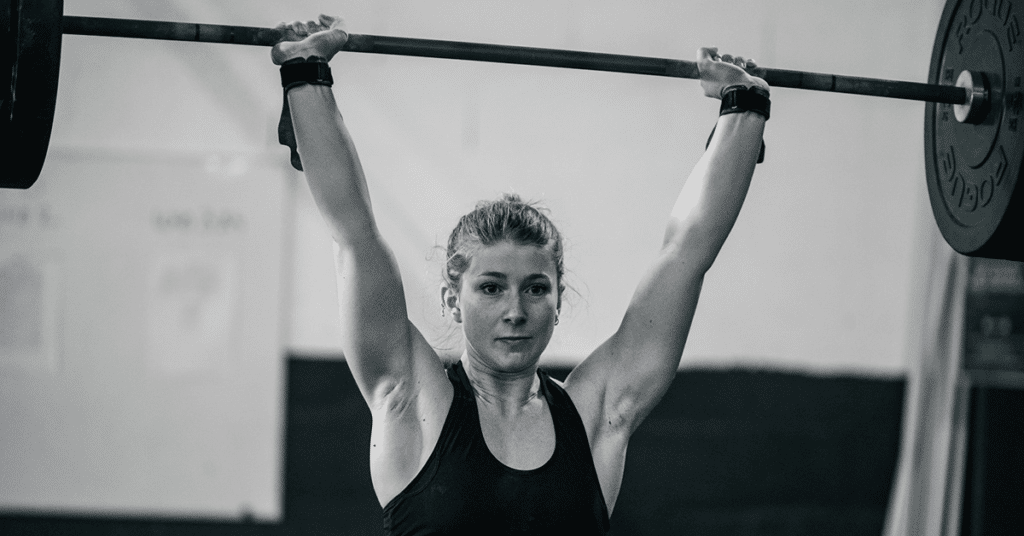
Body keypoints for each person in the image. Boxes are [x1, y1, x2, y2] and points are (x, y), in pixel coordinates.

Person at [272, 14, 769, 535]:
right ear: (452, 299)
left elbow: (687, 256)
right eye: (491, 288)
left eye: (536, 288)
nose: (515, 311)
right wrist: (306, 75)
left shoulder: (595, 415)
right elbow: (353, 231)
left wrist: (744, 107)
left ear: (558, 300)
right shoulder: (412, 399)